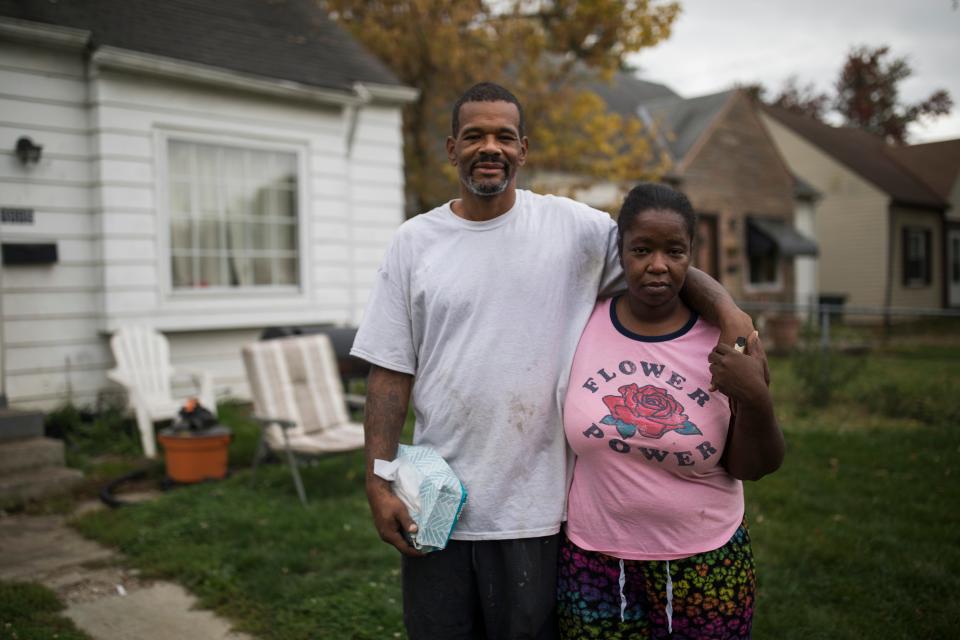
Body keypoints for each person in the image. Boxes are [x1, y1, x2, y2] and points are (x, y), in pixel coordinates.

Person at [350, 83, 755, 640]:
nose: (489, 148)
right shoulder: (414, 243)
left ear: (523, 150)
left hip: (537, 511)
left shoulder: (573, 231)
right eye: (474, 136)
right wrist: (379, 481)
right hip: (433, 503)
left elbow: (658, 256)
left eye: (503, 136)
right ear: (451, 149)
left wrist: (727, 309)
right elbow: (389, 372)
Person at [558, 183, 784, 639]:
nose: (657, 265)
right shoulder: (582, 321)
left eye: (674, 251)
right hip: (595, 562)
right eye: (641, 249)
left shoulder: (727, 341)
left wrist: (755, 395)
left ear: (691, 254)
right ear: (620, 252)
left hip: (707, 563)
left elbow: (754, 466)